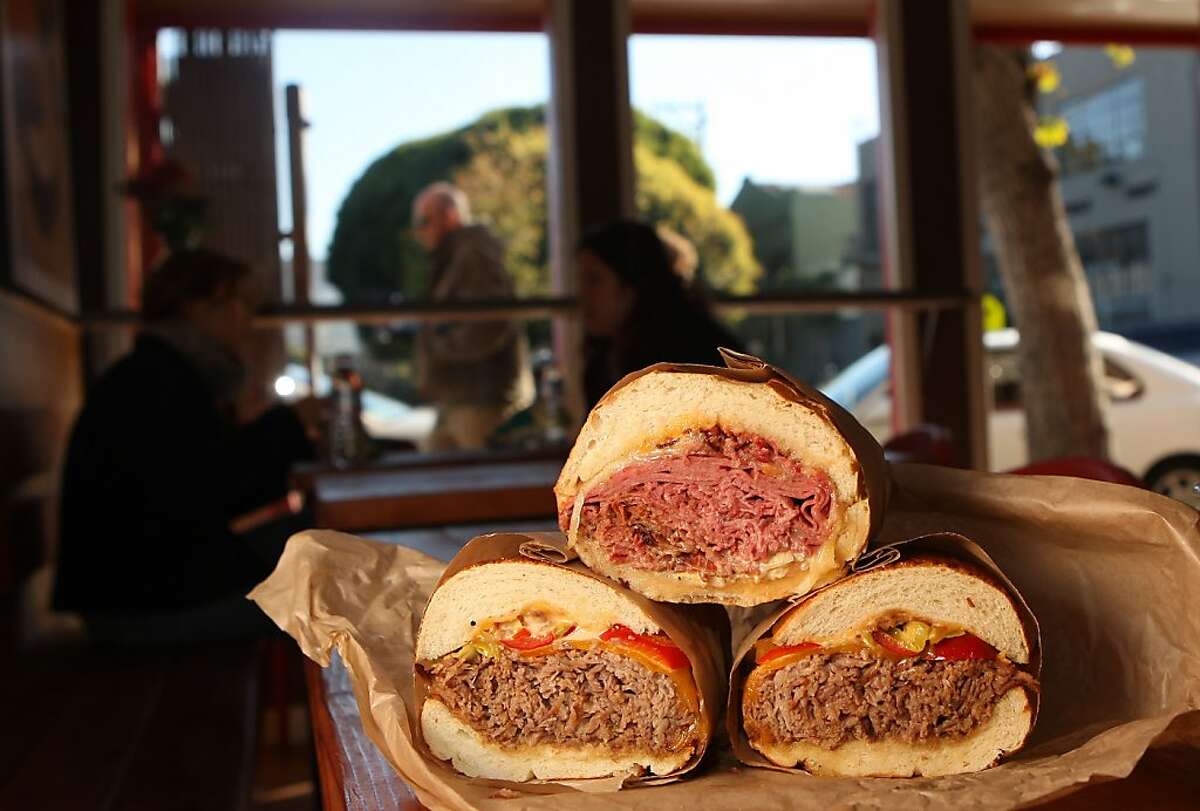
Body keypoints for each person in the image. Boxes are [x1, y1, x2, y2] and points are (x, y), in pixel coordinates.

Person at [53, 249, 317, 645]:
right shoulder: (158, 384)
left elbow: (203, 485)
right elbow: (224, 488)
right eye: (236, 303)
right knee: (329, 585)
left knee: (324, 547)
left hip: (144, 587)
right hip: (144, 608)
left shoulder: (155, 374)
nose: (245, 319)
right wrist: (290, 423)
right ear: (196, 307)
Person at [411, 182, 534, 449]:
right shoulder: (455, 257)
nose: (418, 231)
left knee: (482, 484)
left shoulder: (471, 254)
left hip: (481, 401)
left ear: (450, 216)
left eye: (424, 220)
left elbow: (490, 323)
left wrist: (440, 346)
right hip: (462, 400)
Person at [577, 218, 745, 408]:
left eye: (594, 280)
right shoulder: (603, 358)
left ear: (632, 285)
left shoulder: (696, 356)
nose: (582, 295)